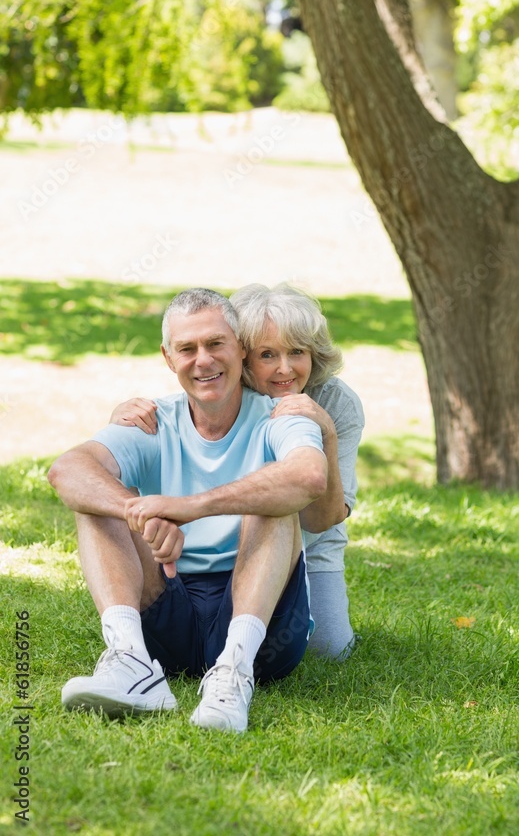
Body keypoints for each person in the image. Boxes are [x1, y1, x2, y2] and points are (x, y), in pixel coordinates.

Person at [47, 288, 328, 733]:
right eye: (187, 348)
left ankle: (234, 674)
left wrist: (188, 508)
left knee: (272, 495)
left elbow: (310, 477)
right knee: (98, 501)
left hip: (261, 625)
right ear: (167, 356)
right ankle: (131, 661)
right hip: (167, 610)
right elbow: (67, 471)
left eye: (216, 344)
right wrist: (143, 514)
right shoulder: (152, 420)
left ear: (240, 347)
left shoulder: (281, 416)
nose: (204, 360)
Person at [110, 283, 365, 660]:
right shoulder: (226, 389)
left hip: (309, 541)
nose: (284, 368)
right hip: (223, 545)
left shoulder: (335, 403)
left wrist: (324, 430)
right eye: (267, 354)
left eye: (297, 352)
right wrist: (120, 424)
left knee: (329, 650)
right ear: (243, 357)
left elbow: (323, 520)